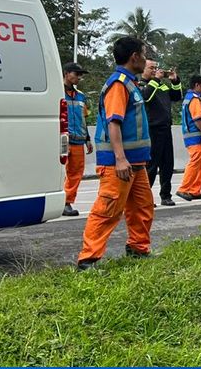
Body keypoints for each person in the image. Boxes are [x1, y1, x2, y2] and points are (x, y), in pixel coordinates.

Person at [76, 36, 155, 269]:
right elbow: (114, 123)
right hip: (118, 163)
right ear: (134, 57)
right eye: (144, 53)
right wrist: (120, 159)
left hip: (136, 162)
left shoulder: (131, 83)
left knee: (142, 207)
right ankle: (88, 258)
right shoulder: (119, 84)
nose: (146, 58)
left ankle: (138, 248)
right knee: (108, 209)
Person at [140, 62, 183, 207]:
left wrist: (174, 80)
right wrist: (156, 79)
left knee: (167, 164)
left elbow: (176, 96)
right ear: (143, 69)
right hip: (152, 129)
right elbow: (146, 97)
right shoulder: (142, 84)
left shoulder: (162, 86)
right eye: (151, 68)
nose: (154, 70)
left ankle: (166, 195)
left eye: (155, 68)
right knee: (151, 166)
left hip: (166, 128)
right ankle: (145, 197)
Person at [176, 75, 201, 201]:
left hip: (195, 137)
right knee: (195, 163)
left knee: (200, 164)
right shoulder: (194, 100)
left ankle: (195, 190)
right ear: (197, 85)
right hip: (195, 137)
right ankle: (183, 189)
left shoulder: (192, 98)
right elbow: (197, 118)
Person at [61, 62, 93, 217]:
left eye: (81, 75)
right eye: (76, 74)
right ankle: (59, 200)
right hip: (62, 141)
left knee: (76, 173)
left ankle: (66, 202)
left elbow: (84, 119)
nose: (79, 77)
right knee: (61, 172)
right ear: (66, 73)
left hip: (79, 140)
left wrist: (87, 139)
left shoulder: (81, 96)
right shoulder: (58, 93)